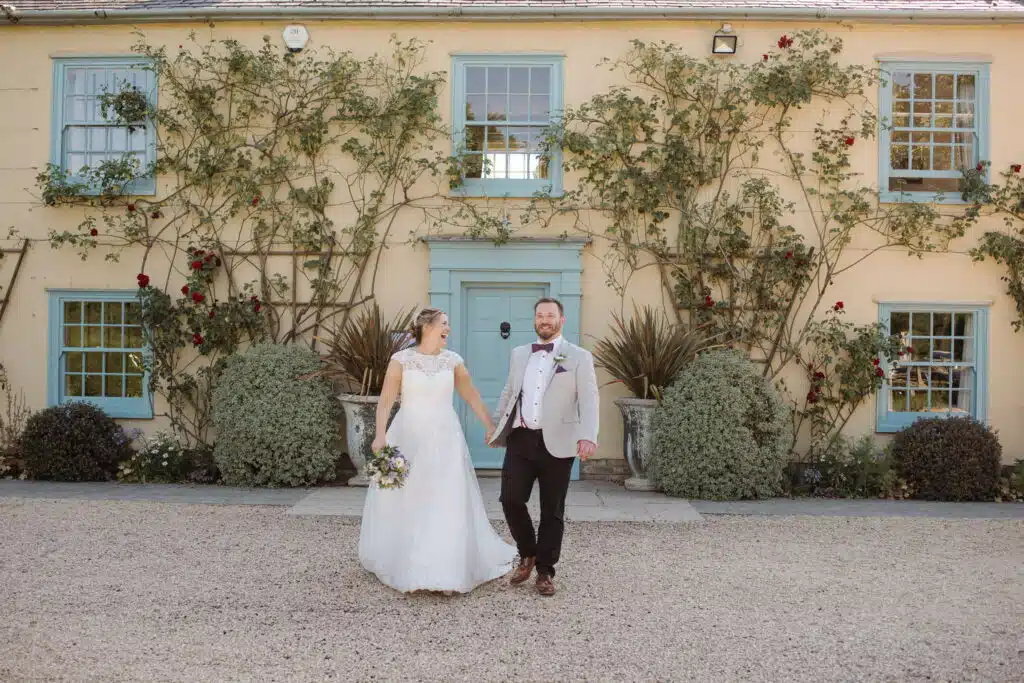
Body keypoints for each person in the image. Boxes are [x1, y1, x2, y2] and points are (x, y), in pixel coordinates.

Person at [358, 308, 516, 594]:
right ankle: (410, 562)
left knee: (445, 497)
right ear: (427, 326)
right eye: (444, 324)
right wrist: (380, 436)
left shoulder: (452, 361)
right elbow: (385, 401)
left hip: (445, 437)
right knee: (410, 497)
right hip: (407, 436)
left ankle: (446, 569)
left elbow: (471, 395)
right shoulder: (401, 360)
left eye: (448, 325)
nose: (448, 329)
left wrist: (490, 426)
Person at [488, 297, 599, 596]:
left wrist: (588, 434)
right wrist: (497, 425)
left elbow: (589, 399)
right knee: (510, 499)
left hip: (559, 442)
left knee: (553, 511)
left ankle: (545, 571)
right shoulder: (519, 353)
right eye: (540, 315)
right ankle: (528, 552)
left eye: (550, 315)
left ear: (562, 320)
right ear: (535, 320)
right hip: (521, 438)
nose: (544, 320)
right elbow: (509, 391)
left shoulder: (578, 357)